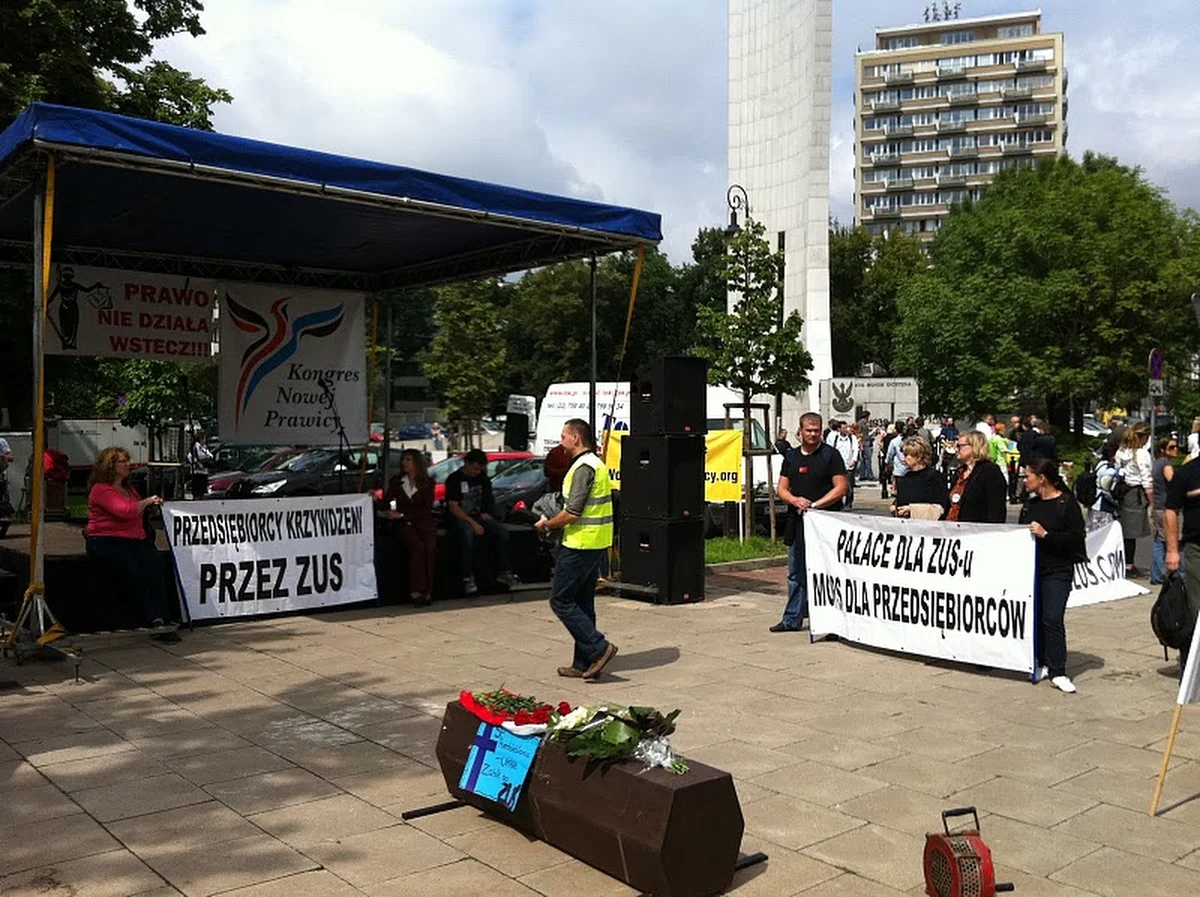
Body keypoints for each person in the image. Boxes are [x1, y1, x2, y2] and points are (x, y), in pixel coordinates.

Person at [535, 419, 618, 679]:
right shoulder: (595, 463)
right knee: (582, 603)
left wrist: (547, 524)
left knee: (560, 600)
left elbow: (573, 512)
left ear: (576, 438)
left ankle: (599, 647)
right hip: (595, 542)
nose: (561, 442)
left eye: (564, 436)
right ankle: (583, 663)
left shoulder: (584, 467)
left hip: (580, 543)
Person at [84, 447, 177, 639]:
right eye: (123, 461)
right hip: (106, 541)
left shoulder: (128, 489)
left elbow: (135, 510)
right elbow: (124, 511)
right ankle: (153, 618)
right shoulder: (100, 489)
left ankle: (163, 616)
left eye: (128, 461)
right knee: (135, 571)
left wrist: (150, 505)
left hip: (134, 540)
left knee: (156, 567)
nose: (128, 465)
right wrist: (146, 501)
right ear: (110, 466)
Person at [771, 412, 848, 632]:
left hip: (826, 522)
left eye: (816, 430)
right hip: (797, 523)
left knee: (828, 570)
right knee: (796, 571)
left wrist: (816, 505)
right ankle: (792, 618)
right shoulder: (791, 457)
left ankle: (830, 621)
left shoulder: (830, 456)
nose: (813, 434)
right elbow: (782, 489)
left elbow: (841, 487)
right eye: (809, 430)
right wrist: (795, 500)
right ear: (800, 431)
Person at [1019, 457, 1086, 694]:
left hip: (1058, 570)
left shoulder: (1066, 503)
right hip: (1033, 570)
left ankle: (1059, 670)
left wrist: (1046, 535)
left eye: (1028, 476)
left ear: (1042, 478)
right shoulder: (1030, 505)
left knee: (1052, 618)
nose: (1024, 480)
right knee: (1035, 616)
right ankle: (1040, 661)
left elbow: (1076, 538)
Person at [445, 448, 517, 594]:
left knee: (501, 532)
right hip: (461, 517)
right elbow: (453, 506)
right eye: (475, 468)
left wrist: (486, 513)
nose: (476, 472)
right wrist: (472, 522)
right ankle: (467, 576)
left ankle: (504, 571)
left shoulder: (483, 479)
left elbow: (488, 500)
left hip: (479, 516)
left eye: (480, 469)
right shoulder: (454, 479)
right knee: (467, 535)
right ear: (467, 464)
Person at [384, 449, 436, 605]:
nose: (404, 463)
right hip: (404, 524)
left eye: (408, 460)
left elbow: (426, 508)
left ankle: (428, 589)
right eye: (403, 460)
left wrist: (404, 515)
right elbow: (388, 500)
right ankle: (416, 590)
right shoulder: (397, 481)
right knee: (417, 548)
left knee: (429, 550)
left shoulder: (427, 483)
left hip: (423, 522)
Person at [1165, 451, 1200, 674]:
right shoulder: (1188, 472)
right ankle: (1192, 664)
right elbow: (1170, 511)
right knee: (1196, 608)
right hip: (1197, 547)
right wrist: (1172, 551)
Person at [1114, 423, 1152, 576]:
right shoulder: (1142, 454)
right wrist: (1151, 500)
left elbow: (1118, 470)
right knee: (1132, 532)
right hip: (1136, 492)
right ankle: (1129, 565)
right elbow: (1146, 478)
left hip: (1124, 490)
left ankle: (1125, 561)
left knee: (1126, 529)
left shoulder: (1122, 451)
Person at [949, 430, 1007, 523]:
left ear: (975, 447)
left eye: (960, 446)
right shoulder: (959, 472)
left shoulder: (990, 471)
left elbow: (996, 508)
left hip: (975, 530)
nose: (956, 449)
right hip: (953, 529)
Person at [891, 436, 949, 519]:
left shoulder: (935, 477)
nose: (903, 459)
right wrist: (895, 507)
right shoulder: (905, 477)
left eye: (907, 455)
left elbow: (940, 507)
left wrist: (912, 509)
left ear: (918, 457)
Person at [1150, 436, 1180, 585]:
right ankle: (1161, 573)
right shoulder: (1166, 465)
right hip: (1165, 506)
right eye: (1171, 447)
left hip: (1158, 505)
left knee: (1159, 539)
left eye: (1176, 447)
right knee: (1166, 539)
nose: (1176, 450)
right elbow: (1173, 482)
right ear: (1163, 450)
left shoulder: (1157, 464)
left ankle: (1157, 573)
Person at [827, 420, 859, 510]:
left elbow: (855, 449)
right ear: (839, 429)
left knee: (849, 486)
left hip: (849, 465)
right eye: (844, 428)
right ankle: (839, 502)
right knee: (837, 485)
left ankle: (849, 503)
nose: (846, 429)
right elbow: (830, 450)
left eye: (847, 427)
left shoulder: (852, 438)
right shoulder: (834, 438)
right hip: (837, 466)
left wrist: (854, 459)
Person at [186, 431, 213, 499]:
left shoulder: (204, 447)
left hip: (204, 471)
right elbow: (190, 457)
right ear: (200, 439)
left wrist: (208, 458)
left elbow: (210, 455)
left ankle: (201, 497)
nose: (205, 440)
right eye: (204, 438)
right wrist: (197, 463)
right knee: (197, 489)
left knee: (202, 489)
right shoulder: (195, 447)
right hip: (197, 472)